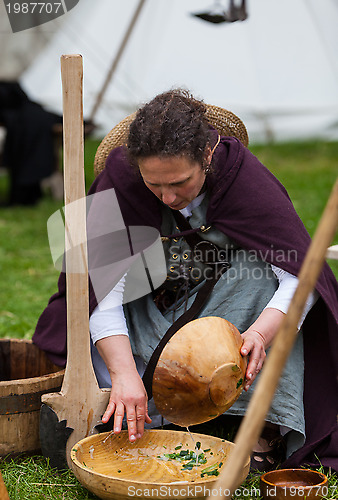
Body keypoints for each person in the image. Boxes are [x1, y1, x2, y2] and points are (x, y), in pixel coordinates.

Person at [33, 89, 338, 472]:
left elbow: (301, 275)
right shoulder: (121, 179)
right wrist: (123, 374)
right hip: (142, 312)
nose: (168, 196)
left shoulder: (244, 178)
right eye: (154, 185)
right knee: (102, 348)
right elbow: (98, 292)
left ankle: (259, 422)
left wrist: (260, 335)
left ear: (206, 157)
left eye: (180, 182)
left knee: (261, 276)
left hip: (228, 311)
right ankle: (143, 399)